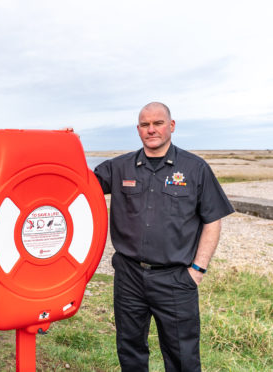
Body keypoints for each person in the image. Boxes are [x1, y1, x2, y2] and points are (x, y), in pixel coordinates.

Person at [94, 102, 234, 371]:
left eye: (158, 123)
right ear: (138, 130)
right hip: (129, 278)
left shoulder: (195, 168)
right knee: (130, 350)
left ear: (171, 126)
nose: (151, 129)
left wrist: (198, 270)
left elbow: (212, 220)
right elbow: (77, 181)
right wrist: (68, 143)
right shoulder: (119, 167)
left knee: (183, 356)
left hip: (176, 279)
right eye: (145, 125)